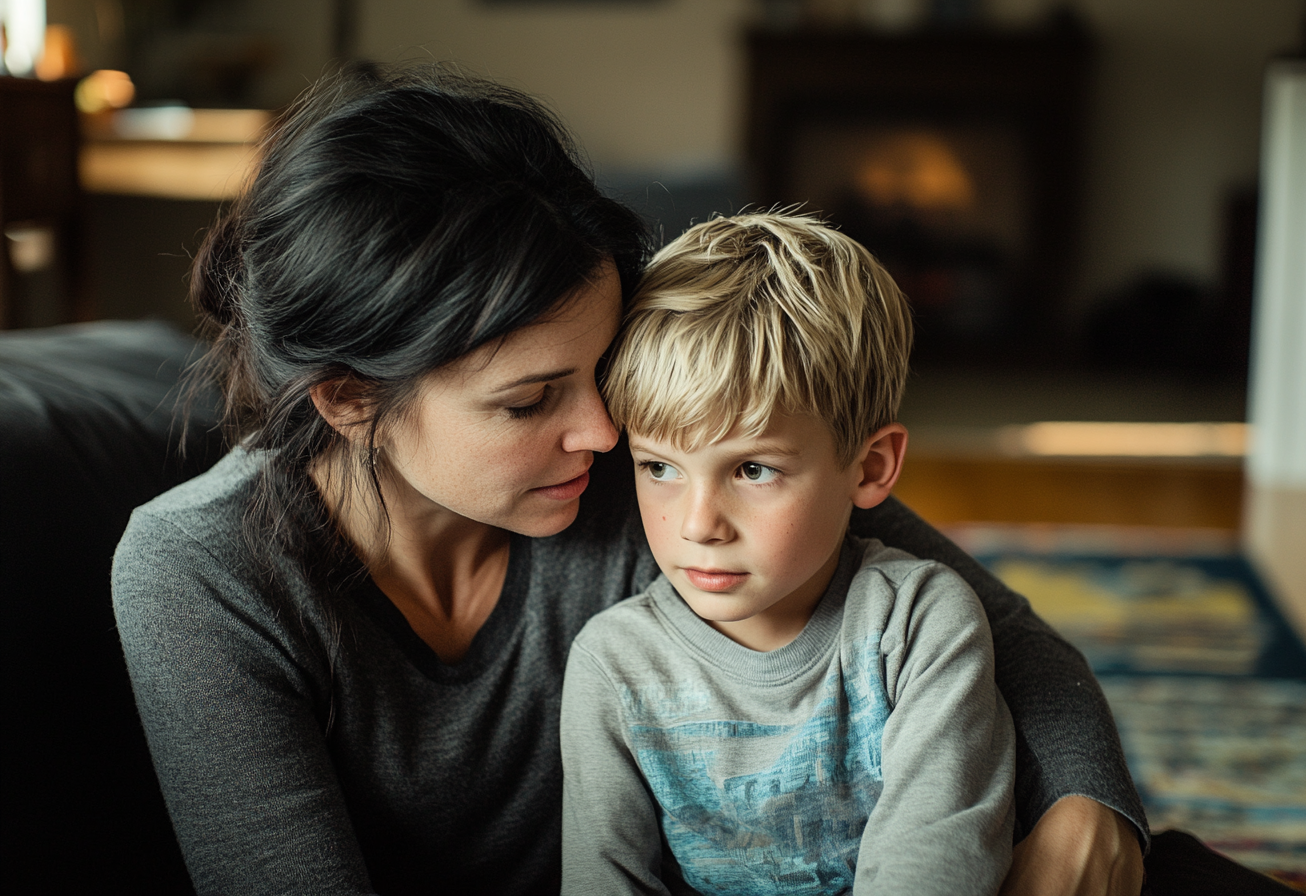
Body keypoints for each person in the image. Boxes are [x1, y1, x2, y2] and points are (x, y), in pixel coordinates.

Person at [111, 62, 1146, 896]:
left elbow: (998, 634)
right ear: (348, 399)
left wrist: (1091, 806)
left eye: (600, 372)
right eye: (530, 400)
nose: (604, 431)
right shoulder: (199, 573)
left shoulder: (650, 478)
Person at [559, 212, 1016, 895]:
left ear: (869, 468)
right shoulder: (614, 664)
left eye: (752, 470)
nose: (699, 523)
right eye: (659, 467)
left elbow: (934, 869)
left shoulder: (920, 625)